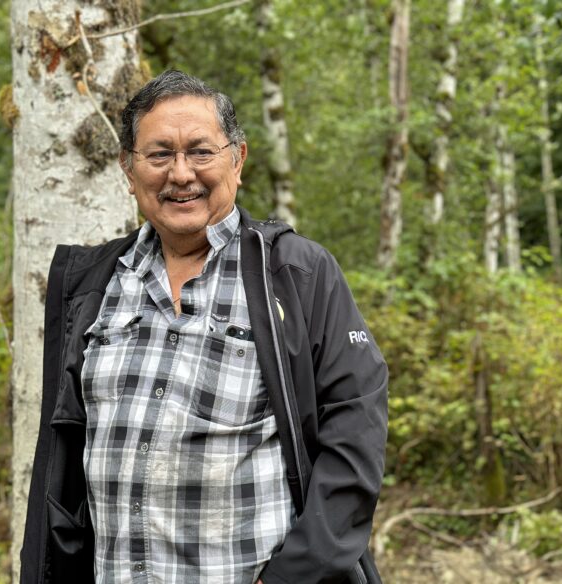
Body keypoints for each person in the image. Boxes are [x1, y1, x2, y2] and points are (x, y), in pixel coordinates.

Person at [20, 70, 388, 584]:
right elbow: (63, 469)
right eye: (159, 154)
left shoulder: (296, 275)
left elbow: (355, 435)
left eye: (200, 152)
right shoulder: (91, 284)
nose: (180, 173)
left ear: (238, 159)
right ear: (129, 170)